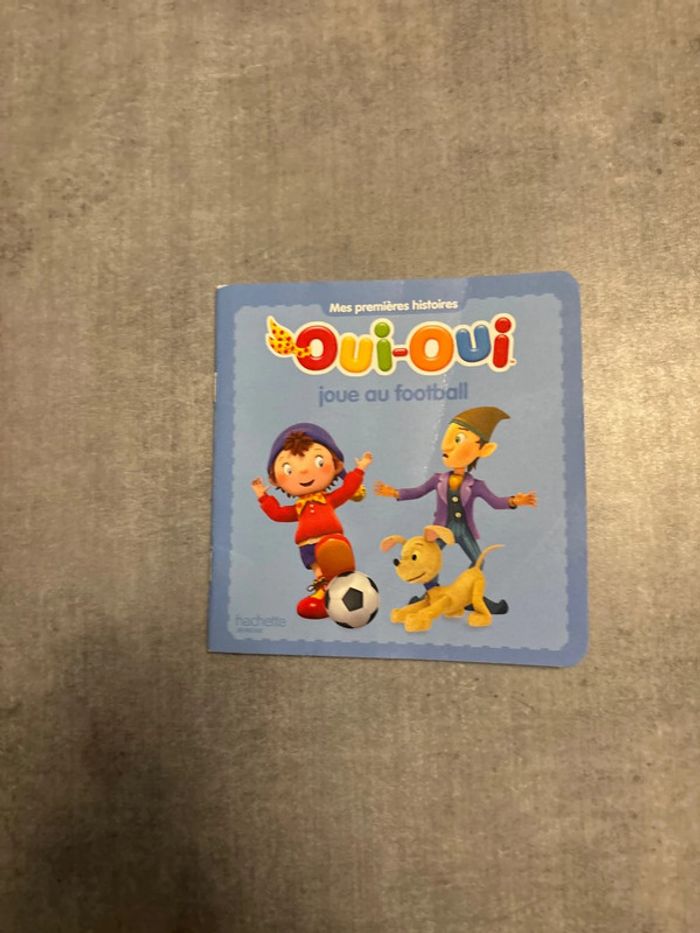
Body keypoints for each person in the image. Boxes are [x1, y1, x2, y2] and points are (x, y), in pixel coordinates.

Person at [374, 406, 536, 613]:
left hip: (463, 529)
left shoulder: (476, 485)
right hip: (441, 528)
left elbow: (495, 502)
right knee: (428, 559)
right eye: (448, 440)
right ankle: (430, 593)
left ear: (483, 450)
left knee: (478, 561)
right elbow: (418, 491)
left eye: (457, 440)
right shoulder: (437, 479)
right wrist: (395, 492)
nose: (447, 447)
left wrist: (514, 501)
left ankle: (470, 597)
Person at [252, 423, 372, 619]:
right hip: (306, 544)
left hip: (330, 539)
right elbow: (277, 513)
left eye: (318, 461)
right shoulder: (299, 509)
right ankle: (323, 593)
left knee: (333, 557)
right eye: (288, 469)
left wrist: (360, 469)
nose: (303, 472)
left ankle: (342, 577)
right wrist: (263, 497)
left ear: (336, 465)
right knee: (319, 572)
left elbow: (348, 489)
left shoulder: (328, 500)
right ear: (275, 480)